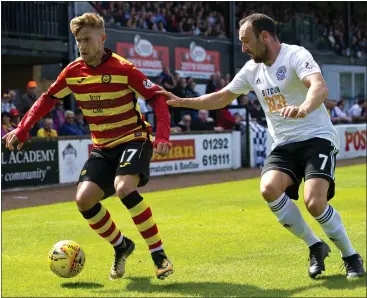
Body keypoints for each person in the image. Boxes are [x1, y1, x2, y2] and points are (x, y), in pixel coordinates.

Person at [157, 13, 364, 279]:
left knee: (314, 202)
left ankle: (351, 256)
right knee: (268, 188)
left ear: (264, 36)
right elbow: (222, 97)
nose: (243, 48)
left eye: (246, 41)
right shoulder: (251, 70)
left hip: (316, 137)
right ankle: (315, 245)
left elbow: (319, 87)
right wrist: (183, 101)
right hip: (284, 143)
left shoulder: (295, 55)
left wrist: (303, 108)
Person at [2, 12, 173, 281]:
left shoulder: (124, 68)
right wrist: (22, 129)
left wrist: (162, 137)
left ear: (102, 39)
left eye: (87, 40)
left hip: (133, 138)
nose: (82, 46)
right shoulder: (72, 72)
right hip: (102, 147)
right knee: (84, 200)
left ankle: (158, 253)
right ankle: (122, 246)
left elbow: (158, 99)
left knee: (124, 187)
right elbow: (46, 100)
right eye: (78, 41)